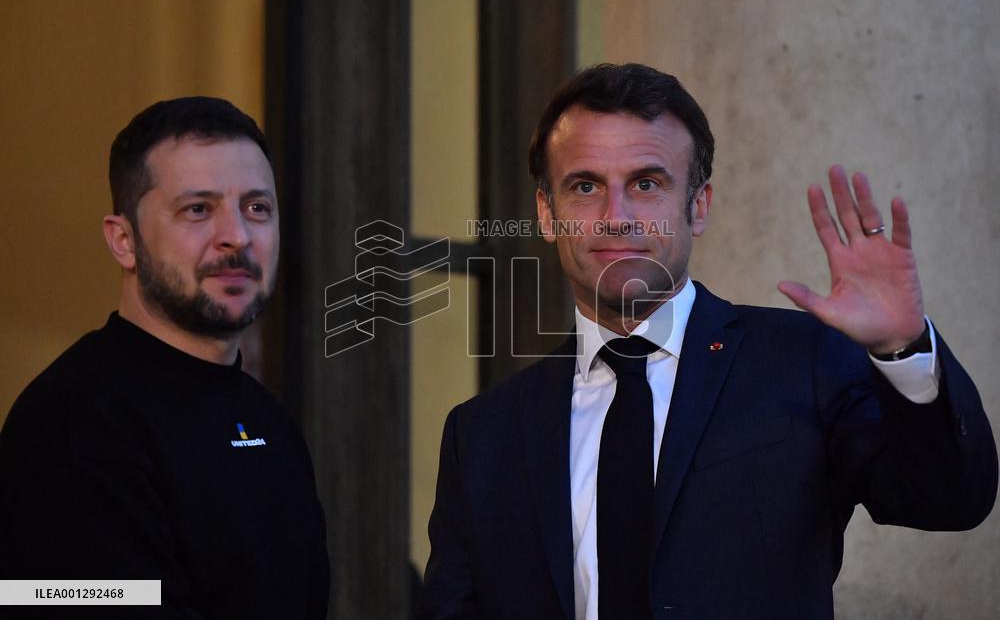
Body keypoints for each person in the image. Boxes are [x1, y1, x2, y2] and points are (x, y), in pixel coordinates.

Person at [418, 64, 997, 619]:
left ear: (698, 206)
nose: (616, 216)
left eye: (647, 183)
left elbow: (946, 500)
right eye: (585, 185)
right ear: (547, 214)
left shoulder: (802, 364)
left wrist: (903, 348)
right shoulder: (482, 434)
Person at [0, 97, 329, 618]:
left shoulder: (272, 424)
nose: (237, 237)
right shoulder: (73, 424)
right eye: (198, 209)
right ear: (123, 241)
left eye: (257, 208)